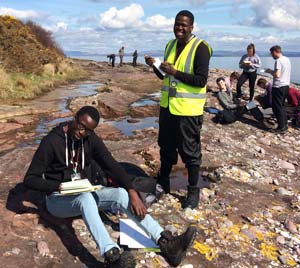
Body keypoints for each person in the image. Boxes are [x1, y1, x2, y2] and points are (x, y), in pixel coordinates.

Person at [23, 106, 197, 268]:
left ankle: (166, 242)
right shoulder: (52, 141)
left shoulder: (89, 138)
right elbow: (30, 179)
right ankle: (111, 256)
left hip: (84, 193)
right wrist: (58, 186)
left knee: (120, 194)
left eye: (87, 130)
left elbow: (111, 165)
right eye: (79, 125)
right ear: (74, 118)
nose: (80, 132)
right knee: (85, 198)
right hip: (57, 200)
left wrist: (132, 191)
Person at [145, 10, 212, 209]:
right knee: (165, 146)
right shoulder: (170, 45)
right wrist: (156, 67)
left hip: (188, 110)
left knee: (190, 152)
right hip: (167, 108)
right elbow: (166, 77)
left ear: (191, 27)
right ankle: (163, 182)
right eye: (177, 24)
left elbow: (201, 80)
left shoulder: (201, 48)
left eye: (184, 25)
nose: (179, 28)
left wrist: (175, 71)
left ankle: (193, 190)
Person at [265, 45, 291, 134]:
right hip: (286, 85)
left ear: (276, 52)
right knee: (282, 106)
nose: (271, 55)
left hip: (278, 86)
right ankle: (284, 124)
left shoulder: (278, 61)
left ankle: (281, 127)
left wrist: (269, 71)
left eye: (272, 53)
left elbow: (277, 74)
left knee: (277, 107)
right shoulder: (287, 59)